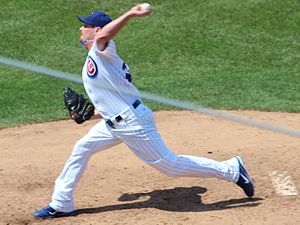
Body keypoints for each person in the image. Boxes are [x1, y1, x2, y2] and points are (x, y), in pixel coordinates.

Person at [33, 4, 254, 219]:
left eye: (86, 25)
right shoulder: (97, 58)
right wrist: (89, 115)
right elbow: (116, 100)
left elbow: (105, 37)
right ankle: (61, 203)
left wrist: (130, 14)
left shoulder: (104, 50)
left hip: (132, 123)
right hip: (116, 122)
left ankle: (231, 169)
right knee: (81, 148)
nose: (81, 28)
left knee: (170, 165)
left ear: (97, 30)